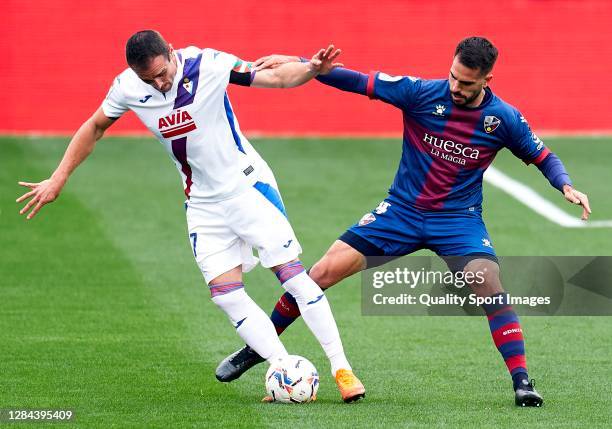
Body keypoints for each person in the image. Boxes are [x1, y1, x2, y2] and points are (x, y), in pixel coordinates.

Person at [215, 36, 592, 407]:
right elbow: (355, 80)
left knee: (488, 284)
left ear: (486, 81)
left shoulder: (503, 119)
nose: (456, 87)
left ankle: (522, 382)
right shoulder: (421, 93)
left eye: (466, 83)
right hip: (400, 213)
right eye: (453, 77)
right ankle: (255, 349)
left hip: (457, 221)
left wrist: (566, 185)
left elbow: (542, 155)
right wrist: (309, 65)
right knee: (319, 273)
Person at [16, 30, 365, 403]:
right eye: (149, 79)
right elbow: (95, 126)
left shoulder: (208, 64)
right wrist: (59, 176)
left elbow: (276, 78)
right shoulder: (128, 86)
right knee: (226, 295)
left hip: (248, 188)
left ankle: (341, 368)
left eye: (162, 73)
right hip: (202, 203)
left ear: (170, 51)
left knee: (291, 274)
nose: (159, 83)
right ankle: (281, 366)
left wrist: (311, 69)